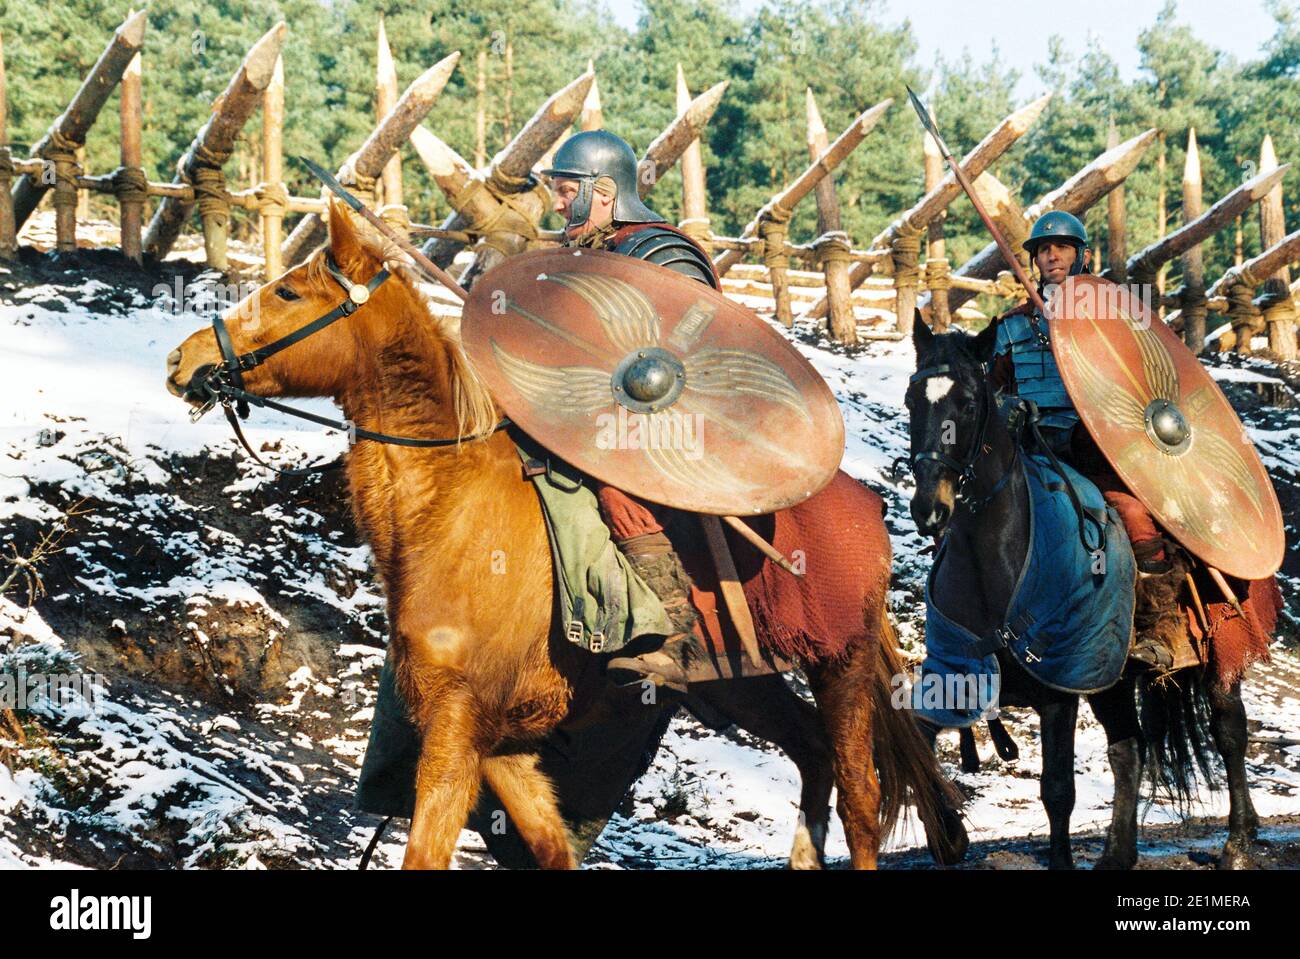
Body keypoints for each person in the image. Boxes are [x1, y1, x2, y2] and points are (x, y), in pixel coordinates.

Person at [540, 130, 723, 693]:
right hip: (590, 415)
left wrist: (616, 459)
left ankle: (671, 637)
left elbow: (694, 342)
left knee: (616, 494)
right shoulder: (585, 252)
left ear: (601, 191)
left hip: (665, 423)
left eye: (564, 189)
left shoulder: (660, 252)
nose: (555, 202)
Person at [987, 211, 1182, 669]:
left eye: (1062, 248)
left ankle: (1160, 627)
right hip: (1032, 449)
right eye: (1042, 250)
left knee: (1132, 513)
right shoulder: (1012, 326)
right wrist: (1005, 408)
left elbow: (1149, 382)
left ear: (1083, 256)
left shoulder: (1114, 318)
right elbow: (991, 390)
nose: (1051, 255)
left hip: (1095, 446)